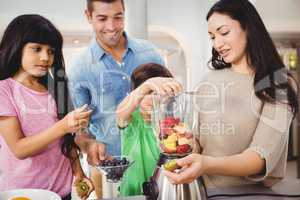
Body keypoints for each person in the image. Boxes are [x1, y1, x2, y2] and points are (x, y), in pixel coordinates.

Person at [164, 0, 298, 188]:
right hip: (206, 192)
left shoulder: (279, 83)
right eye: (212, 37)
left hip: (252, 195)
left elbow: (259, 158)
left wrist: (206, 164)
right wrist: (183, 142)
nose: (217, 43)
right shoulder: (208, 82)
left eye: (224, 32)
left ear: (248, 28)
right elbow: (198, 145)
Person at [66, 0, 164, 197]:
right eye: (102, 18)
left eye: (118, 17)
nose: (111, 27)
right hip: (108, 171)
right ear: (88, 16)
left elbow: (169, 105)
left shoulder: (150, 53)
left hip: (154, 164)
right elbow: (79, 132)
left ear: (124, 13)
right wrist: (89, 145)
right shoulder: (80, 69)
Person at [0, 14, 94, 200]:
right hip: (24, 194)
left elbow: (67, 141)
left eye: (50, 51)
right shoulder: (4, 90)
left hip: (63, 193)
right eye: (37, 49)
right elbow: (19, 149)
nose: (45, 57)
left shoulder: (56, 89)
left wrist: (80, 174)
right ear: (16, 47)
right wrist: (63, 126)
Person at [116, 63, 182, 196]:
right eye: (149, 93)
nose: (154, 99)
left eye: (159, 93)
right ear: (137, 94)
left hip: (163, 191)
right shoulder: (132, 120)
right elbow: (120, 112)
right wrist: (148, 84)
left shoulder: (171, 123)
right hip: (133, 194)